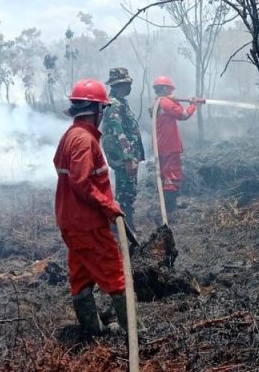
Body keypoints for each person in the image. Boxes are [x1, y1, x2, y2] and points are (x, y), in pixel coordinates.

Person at [53, 78, 127, 336]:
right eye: (102, 110)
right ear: (96, 111)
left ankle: (92, 330)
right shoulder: (85, 140)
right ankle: (134, 332)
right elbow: (82, 182)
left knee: (82, 274)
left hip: (71, 222)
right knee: (115, 272)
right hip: (87, 223)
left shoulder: (70, 136)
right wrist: (108, 206)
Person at [101, 67, 145, 234]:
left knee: (129, 189)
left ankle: (126, 225)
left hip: (128, 155)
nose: (129, 87)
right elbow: (119, 132)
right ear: (118, 85)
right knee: (125, 190)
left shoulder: (120, 102)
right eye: (126, 84)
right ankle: (121, 227)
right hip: (124, 156)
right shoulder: (114, 105)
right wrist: (127, 157)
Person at [151, 75, 201, 218]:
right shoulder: (165, 102)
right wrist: (193, 104)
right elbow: (183, 115)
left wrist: (176, 102)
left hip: (161, 145)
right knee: (172, 176)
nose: (171, 91)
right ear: (165, 88)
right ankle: (170, 209)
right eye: (170, 89)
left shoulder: (157, 102)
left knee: (166, 176)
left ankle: (168, 206)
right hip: (169, 146)